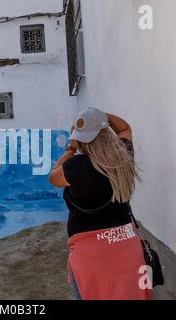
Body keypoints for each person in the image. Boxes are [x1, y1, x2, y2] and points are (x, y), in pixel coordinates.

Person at [48, 107, 151, 300]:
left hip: (90, 256)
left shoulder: (74, 167)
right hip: (127, 247)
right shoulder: (122, 156)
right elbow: (125, 128)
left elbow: (53, 176)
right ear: (104, 133)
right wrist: (104, 118)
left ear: (79, 139)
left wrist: (71, 147)